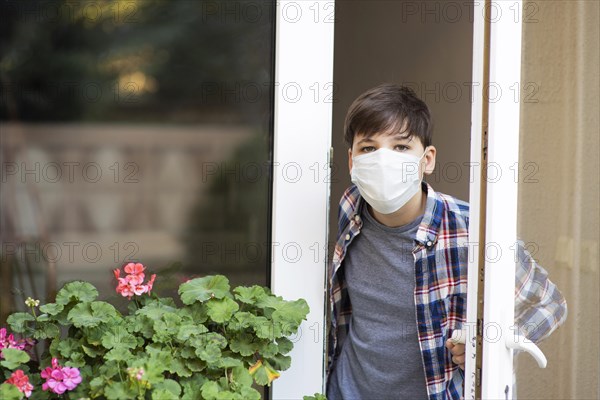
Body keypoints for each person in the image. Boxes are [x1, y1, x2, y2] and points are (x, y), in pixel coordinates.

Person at [325, 83, 568, 400]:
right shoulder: (350, 206)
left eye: (400, 147)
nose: (383, 160)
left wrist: (490, 345)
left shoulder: (472, 229)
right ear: (352, 161)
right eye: (369, 148)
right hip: (345, 391)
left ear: (427, 160)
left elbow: (551, 303)